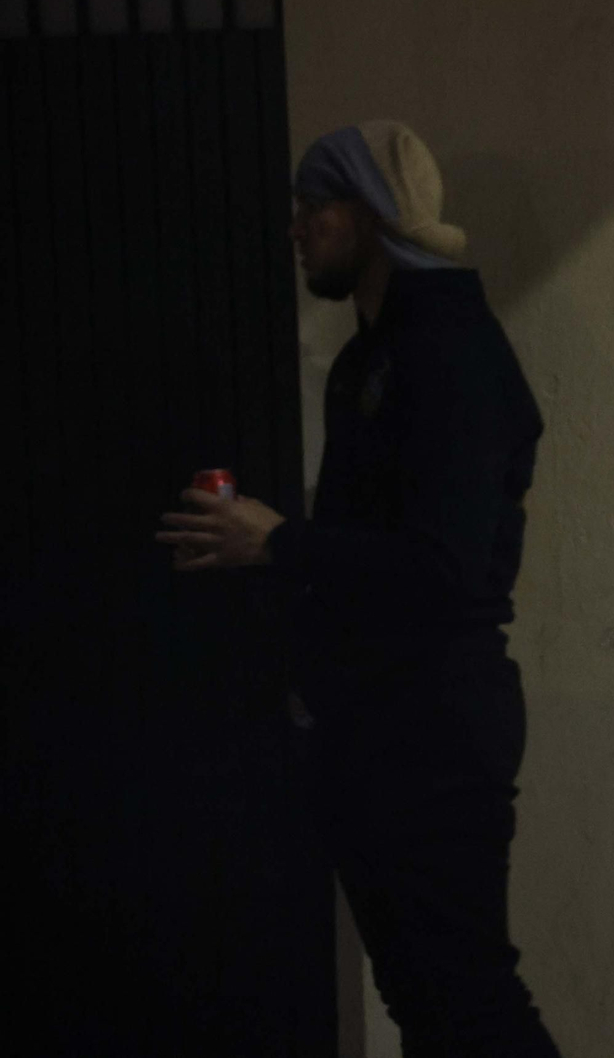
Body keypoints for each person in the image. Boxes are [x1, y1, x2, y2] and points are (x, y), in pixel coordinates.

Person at [156, 121, 562, 1057]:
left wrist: (281, 544)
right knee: (426, 995)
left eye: (315, 207)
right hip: (381, 726)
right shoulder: (371, 357)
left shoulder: (450, 352)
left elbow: (443, 568)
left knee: (467, 995)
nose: (297, 228)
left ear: (373, 215)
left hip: (436, 726)